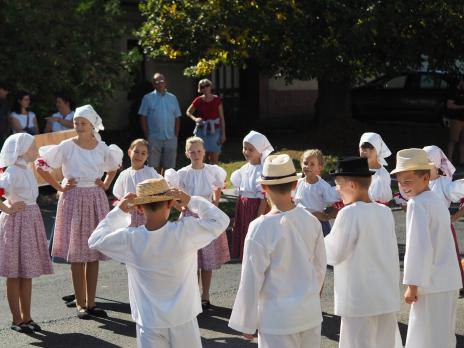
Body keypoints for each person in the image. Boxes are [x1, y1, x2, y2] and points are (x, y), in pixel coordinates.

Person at [88, 178, 230, 348]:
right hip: (183, 317)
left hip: (148, 320)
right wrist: (190, 200)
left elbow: (95, 240)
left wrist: (120, 211)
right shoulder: (185, 231)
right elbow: (220, 220)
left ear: (139, 208)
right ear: (170, 203)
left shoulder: (130, 239)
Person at [229, 154, 326, 348]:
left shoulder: (259, 227)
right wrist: (312, 297)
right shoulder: (312, 221)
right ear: (294, 185)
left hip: (277, 318)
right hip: (309, 313)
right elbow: (320, 267)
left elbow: (251, 278)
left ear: (264, 188)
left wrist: (247, 322)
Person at [36, 104, 123, 319]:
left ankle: (91, 302)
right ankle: (81, 303)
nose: (79, 126)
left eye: (83, 123)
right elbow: (41, 166)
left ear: (92, 125)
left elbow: (114, 166)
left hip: (94, 197)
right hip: (73, 198)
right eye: (76, 122)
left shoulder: (102, 148)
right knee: (77, 254)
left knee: (92, 253)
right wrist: (60, 187)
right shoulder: (67, 146)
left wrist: (106, 182)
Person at [324, 157, 400, 348]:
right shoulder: (384, 211)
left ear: (351, 184)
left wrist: (315, 241)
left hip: (358, 300)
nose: (336, 189)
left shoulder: (348, 213)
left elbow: (333, 253)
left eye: (338, 184)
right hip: (384, 295)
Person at [391, 148, 461, 348]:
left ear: (425, 178)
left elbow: (418, 246)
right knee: (443, 336)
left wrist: (412, 285)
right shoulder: (435, 201)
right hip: (447, 279)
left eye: (408, 181)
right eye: (400, 182)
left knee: (424, 336)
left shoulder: (417, 203)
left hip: (430, 282)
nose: (404, 187)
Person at [164, 136, 230, 309]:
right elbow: (174, 195)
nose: (196, 154)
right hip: (190, 219)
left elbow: (217, 190)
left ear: (204, 152)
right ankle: (192, 294)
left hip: (207, 217)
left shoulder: (212, 171)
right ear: (187, 153)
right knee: (191, 258)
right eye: (192, 151)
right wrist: (181, 208)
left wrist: (214, 206)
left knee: (207, 259)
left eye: (199, 151)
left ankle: (205, 295)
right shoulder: (182, 173)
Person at [0, 133, 53, 333]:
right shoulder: (11, 171)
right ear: (21, 150)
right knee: (14, 273)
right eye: (33, 147)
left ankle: (27, 316)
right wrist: (7, 208)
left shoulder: (28, 168)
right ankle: (17, 319)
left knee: (26, 272)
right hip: (16, 222)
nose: (36, 150)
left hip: (30, 220)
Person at [422, 145, 464, 296]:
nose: (424, 166)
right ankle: (429, 283)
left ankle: (455, 284)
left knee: (448, 255)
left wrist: (453, 218)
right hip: (424, 226)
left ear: (436, 163)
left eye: (428, 162)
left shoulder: (444, 183)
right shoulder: (422, 182)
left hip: (442, 227)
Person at [230, 130, 274, 260]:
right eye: (245, 148)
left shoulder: (262, 170)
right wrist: (236, 215)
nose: (246, 152)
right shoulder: (244, 169)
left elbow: (264, 198)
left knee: (254, 236)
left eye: (251, 149)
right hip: (243, 207)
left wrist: (259, 217)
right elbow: (240, 194)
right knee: (244, 233)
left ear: (260, 151)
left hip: (255, 208)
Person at [138, 73, 182, 174]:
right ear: (153, 85)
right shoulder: (147, 98)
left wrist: (176, 134)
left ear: (165, 82)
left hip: (171, 137)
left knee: (169, 167)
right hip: (154, 137)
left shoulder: (173, 98)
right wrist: (147, 134)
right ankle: (156, 188)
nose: (159, 83)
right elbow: (143, 117)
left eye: (161, 81)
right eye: (156, 82)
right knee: (153, 166)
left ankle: (166, 187)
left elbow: (177, 117)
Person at [113, 138, 162, 227]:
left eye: (143, 153)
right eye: (136, 152)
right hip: (129, 213)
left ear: (147, 157)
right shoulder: (124, 174)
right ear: (129, 152)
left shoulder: (150, 172)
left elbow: (160, 188)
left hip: (146, 212)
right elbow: (118, 193)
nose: (139, 155)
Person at [294, 149, 340, 236]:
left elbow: (332, 198)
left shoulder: (322, 186)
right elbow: (295, 201)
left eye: (312, 164)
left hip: (318, 223)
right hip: (301, 222)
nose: (307, 166)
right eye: (305, 163)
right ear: (301, 164)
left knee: (322, 247)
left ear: (320, 167)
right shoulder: (298, 183)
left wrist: (327, 216)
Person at [186, 79, 226, 164]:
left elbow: (221, 118)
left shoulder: (217, 100)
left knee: (214, 159)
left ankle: (215, 177)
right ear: (200, 89)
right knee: (200, 158)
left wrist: (223, 134)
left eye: (207, 85)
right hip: (201, 131)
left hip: (215, 131)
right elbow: (188, 112)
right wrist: (195, 119)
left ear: (211, 86)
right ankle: (200, 176)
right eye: (202, 87)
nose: (205, 88)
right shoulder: (198, 100)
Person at [359, 132, 393, 204]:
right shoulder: (354, 170)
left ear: (377, 150)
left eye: (371, 148)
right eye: (363, 148)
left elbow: (383, 200)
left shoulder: (383, 174)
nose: (366, 152)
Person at [446, 79, 464, 165]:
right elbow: (449, 105)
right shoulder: (453, 91)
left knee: (462, 141)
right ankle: (449, 161)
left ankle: (462, 161)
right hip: (456, 119)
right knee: (453, 140)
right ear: (461, 81)